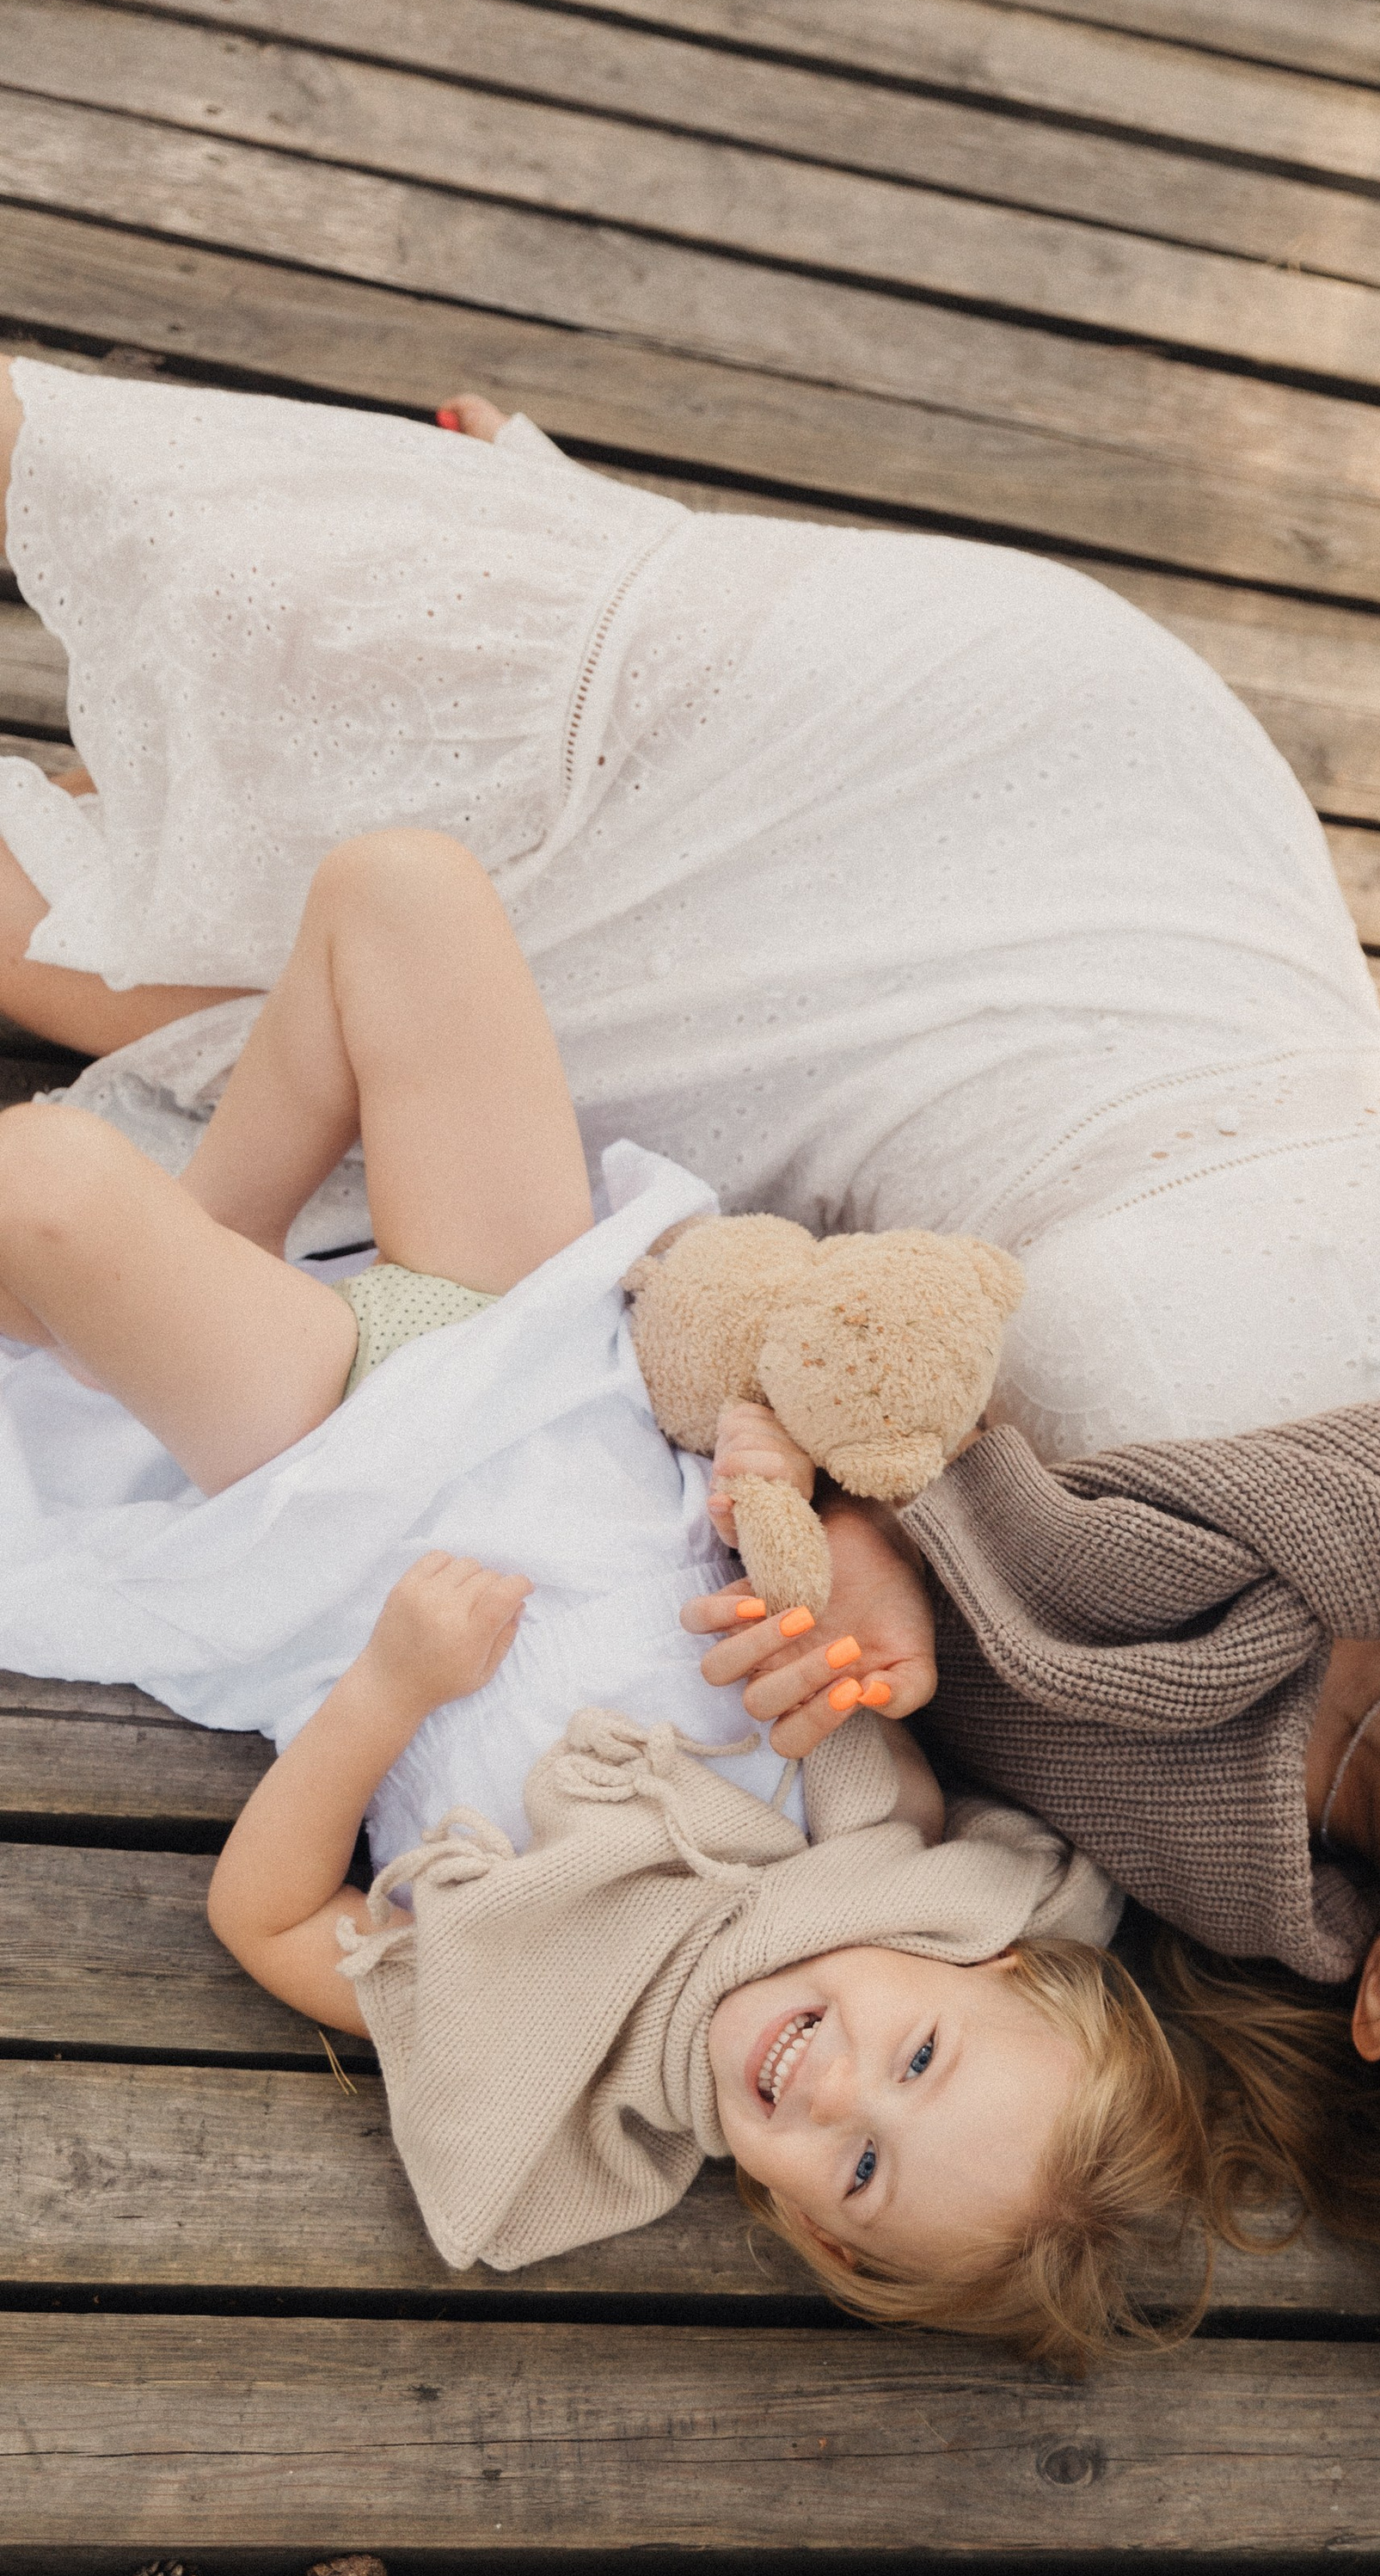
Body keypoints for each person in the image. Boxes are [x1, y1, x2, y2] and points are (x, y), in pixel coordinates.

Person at [0, 361, 1380, 2407]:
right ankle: (577, 566)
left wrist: (856, 1538)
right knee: (377, 770)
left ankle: (535, 580)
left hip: (831, 1052)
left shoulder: (1132, 1765)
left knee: (174, 907)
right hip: (1143, 841)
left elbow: (831, 1489)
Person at [0, 823, 1202, 2358]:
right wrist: (782, 1479)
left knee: (43, 1179)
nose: (837, 2086)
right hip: (533, 1345)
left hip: (333, 1472)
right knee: (403, 889)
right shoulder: (866, 1812)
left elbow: (273, 1917)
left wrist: (388, 1696)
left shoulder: (547, 2043)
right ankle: (201, 1248)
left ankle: (122, 1290)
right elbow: (791, 1538)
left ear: (821, 2231)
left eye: (862, 2165)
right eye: (918, 2058)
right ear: (980, 1958)